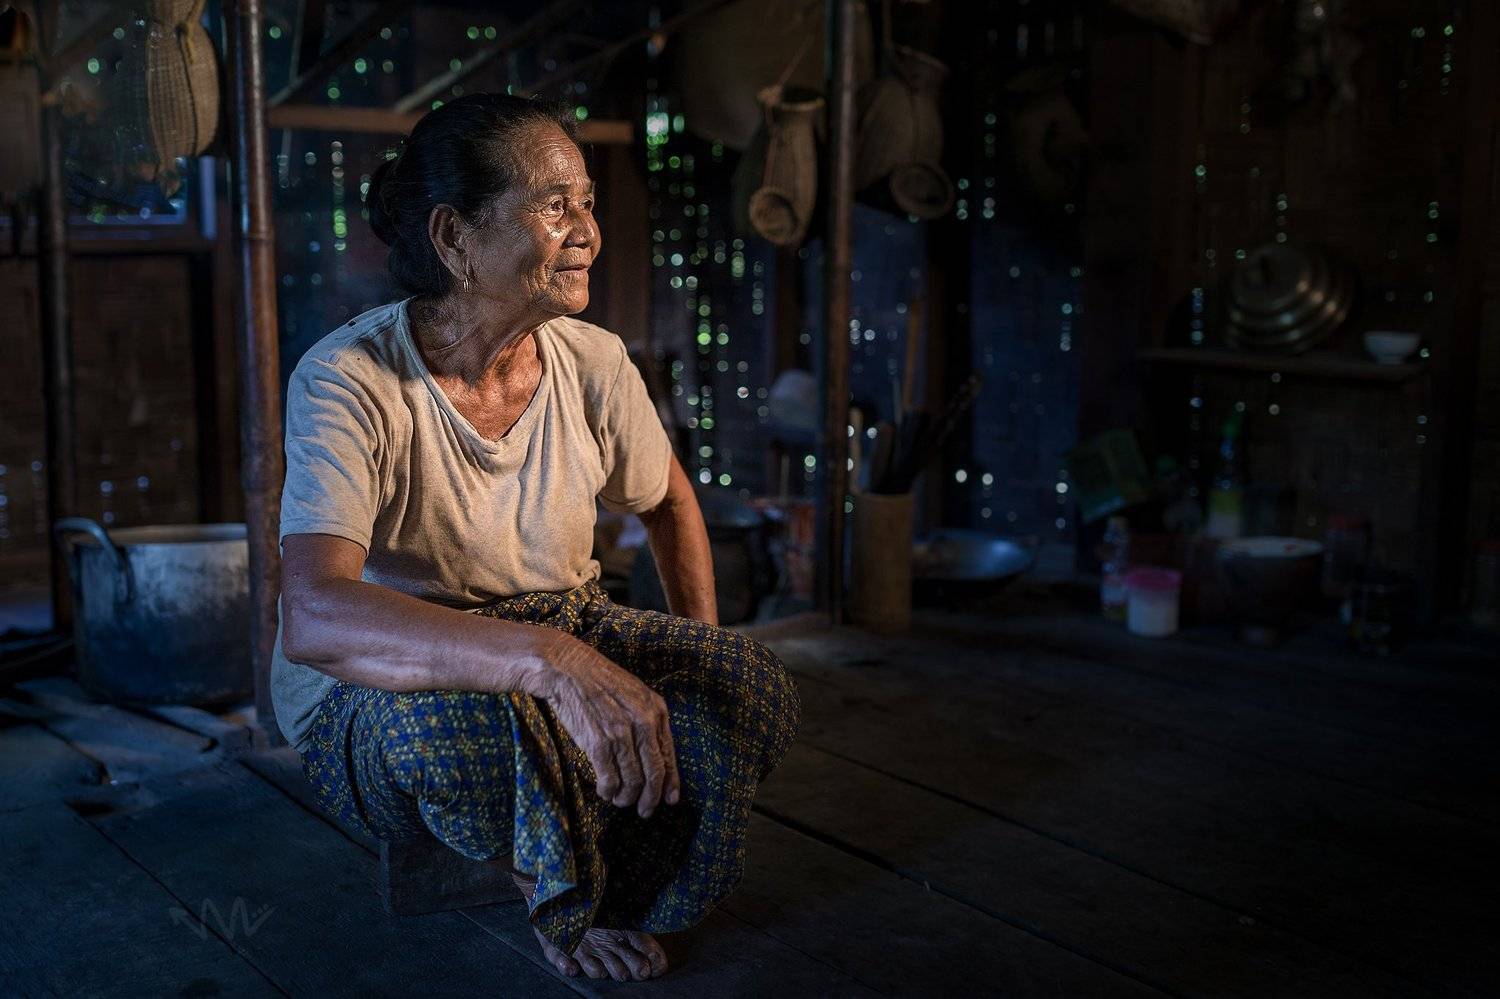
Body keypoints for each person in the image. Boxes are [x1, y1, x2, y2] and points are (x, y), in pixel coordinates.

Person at [272, 93, 801, 982]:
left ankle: (610, 858)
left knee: (749, 686)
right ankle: (551, 889)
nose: (586, 229)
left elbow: (668, 501)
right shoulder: (349, 379)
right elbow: (316, 617)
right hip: (396, 674)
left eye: (588, 202)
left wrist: (685, 652)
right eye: (555, 206)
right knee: (452, 737)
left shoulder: (592, 361)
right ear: (454, 237)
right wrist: (547, 663)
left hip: (562, 620)